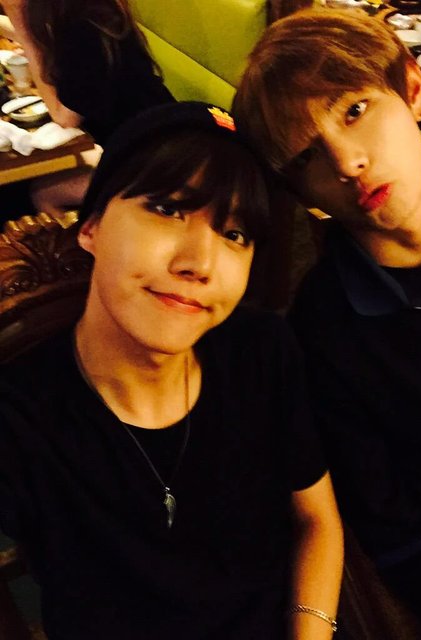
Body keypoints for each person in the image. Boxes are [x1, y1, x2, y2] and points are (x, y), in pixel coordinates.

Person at [0, 101, 343, 640]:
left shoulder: (259, 352)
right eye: (167, 208)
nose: (199, 263)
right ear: (91, 226)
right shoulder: (21, 416)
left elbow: (316, 519)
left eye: (235, 234)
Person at [233, 8, 421, 639]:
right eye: (308, 156)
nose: (346, 163)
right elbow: (395, 508)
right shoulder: (323, 329)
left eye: (354, 110)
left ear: (414, 90)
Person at [0, 0, 174, 215]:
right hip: (151, 141)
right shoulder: (82, 10)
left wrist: (18, 17)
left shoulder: (84, 26)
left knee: (37, 192)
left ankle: (86, 236)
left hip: (153, 163)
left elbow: (64, 117)